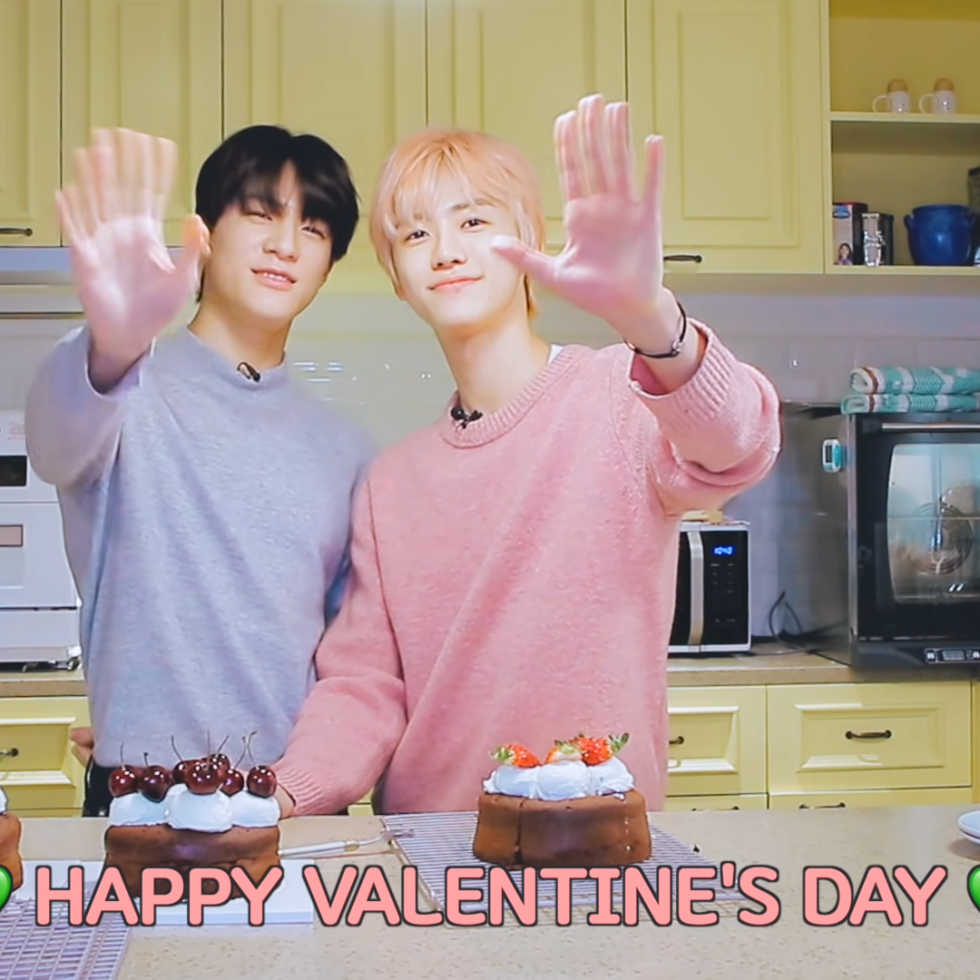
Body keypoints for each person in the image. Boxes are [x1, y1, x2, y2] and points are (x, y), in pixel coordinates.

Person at [270, 94, 781, 818]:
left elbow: (740, 444)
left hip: (595, 842)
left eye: (474, 221)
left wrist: (653, 321)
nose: (446, 250)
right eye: (415, 233)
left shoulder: (623, 392)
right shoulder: (390, 485)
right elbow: (363, 688)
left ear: (530, 241)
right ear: (397, 277)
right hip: (432, 844)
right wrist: (281, 794)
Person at [25, 125, 373, 816]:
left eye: (313, 228)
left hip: (284, 806)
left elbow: (350, 664)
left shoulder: (344, 448)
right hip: (140, 802)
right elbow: (52, 446)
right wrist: (113, 345)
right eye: (261, 213)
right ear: (206, 231)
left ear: (329, 265)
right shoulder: (119, 384)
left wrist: (304, 789)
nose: (286, 244)